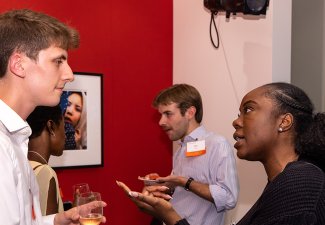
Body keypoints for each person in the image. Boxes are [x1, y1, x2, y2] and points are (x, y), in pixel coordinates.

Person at [117, 82, 325, 225]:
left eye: (249, 109)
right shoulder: (283, 182)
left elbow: (227, 198)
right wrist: (164, 194)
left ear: (284, 121)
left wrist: (172, 211)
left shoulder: (300, 184)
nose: (236, 121)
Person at [0, 8, 106, 224]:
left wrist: (58, 220)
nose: (69, 74)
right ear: (19, 64)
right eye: (58, 61)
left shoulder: (15, 138)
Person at [141, 84, 239, 225]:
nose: (161, 122)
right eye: (161, 115)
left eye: (168, 114)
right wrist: (163, 185)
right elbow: (182, 193)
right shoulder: (181, 149)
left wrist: (185, 182)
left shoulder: (217, 144)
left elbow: (228, 198)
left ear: (190, 113)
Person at [27, 105, 65, 215]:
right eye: (64, 128)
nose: (65, 136)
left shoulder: (22, 165)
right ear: (51, 127)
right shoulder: (45, 173)